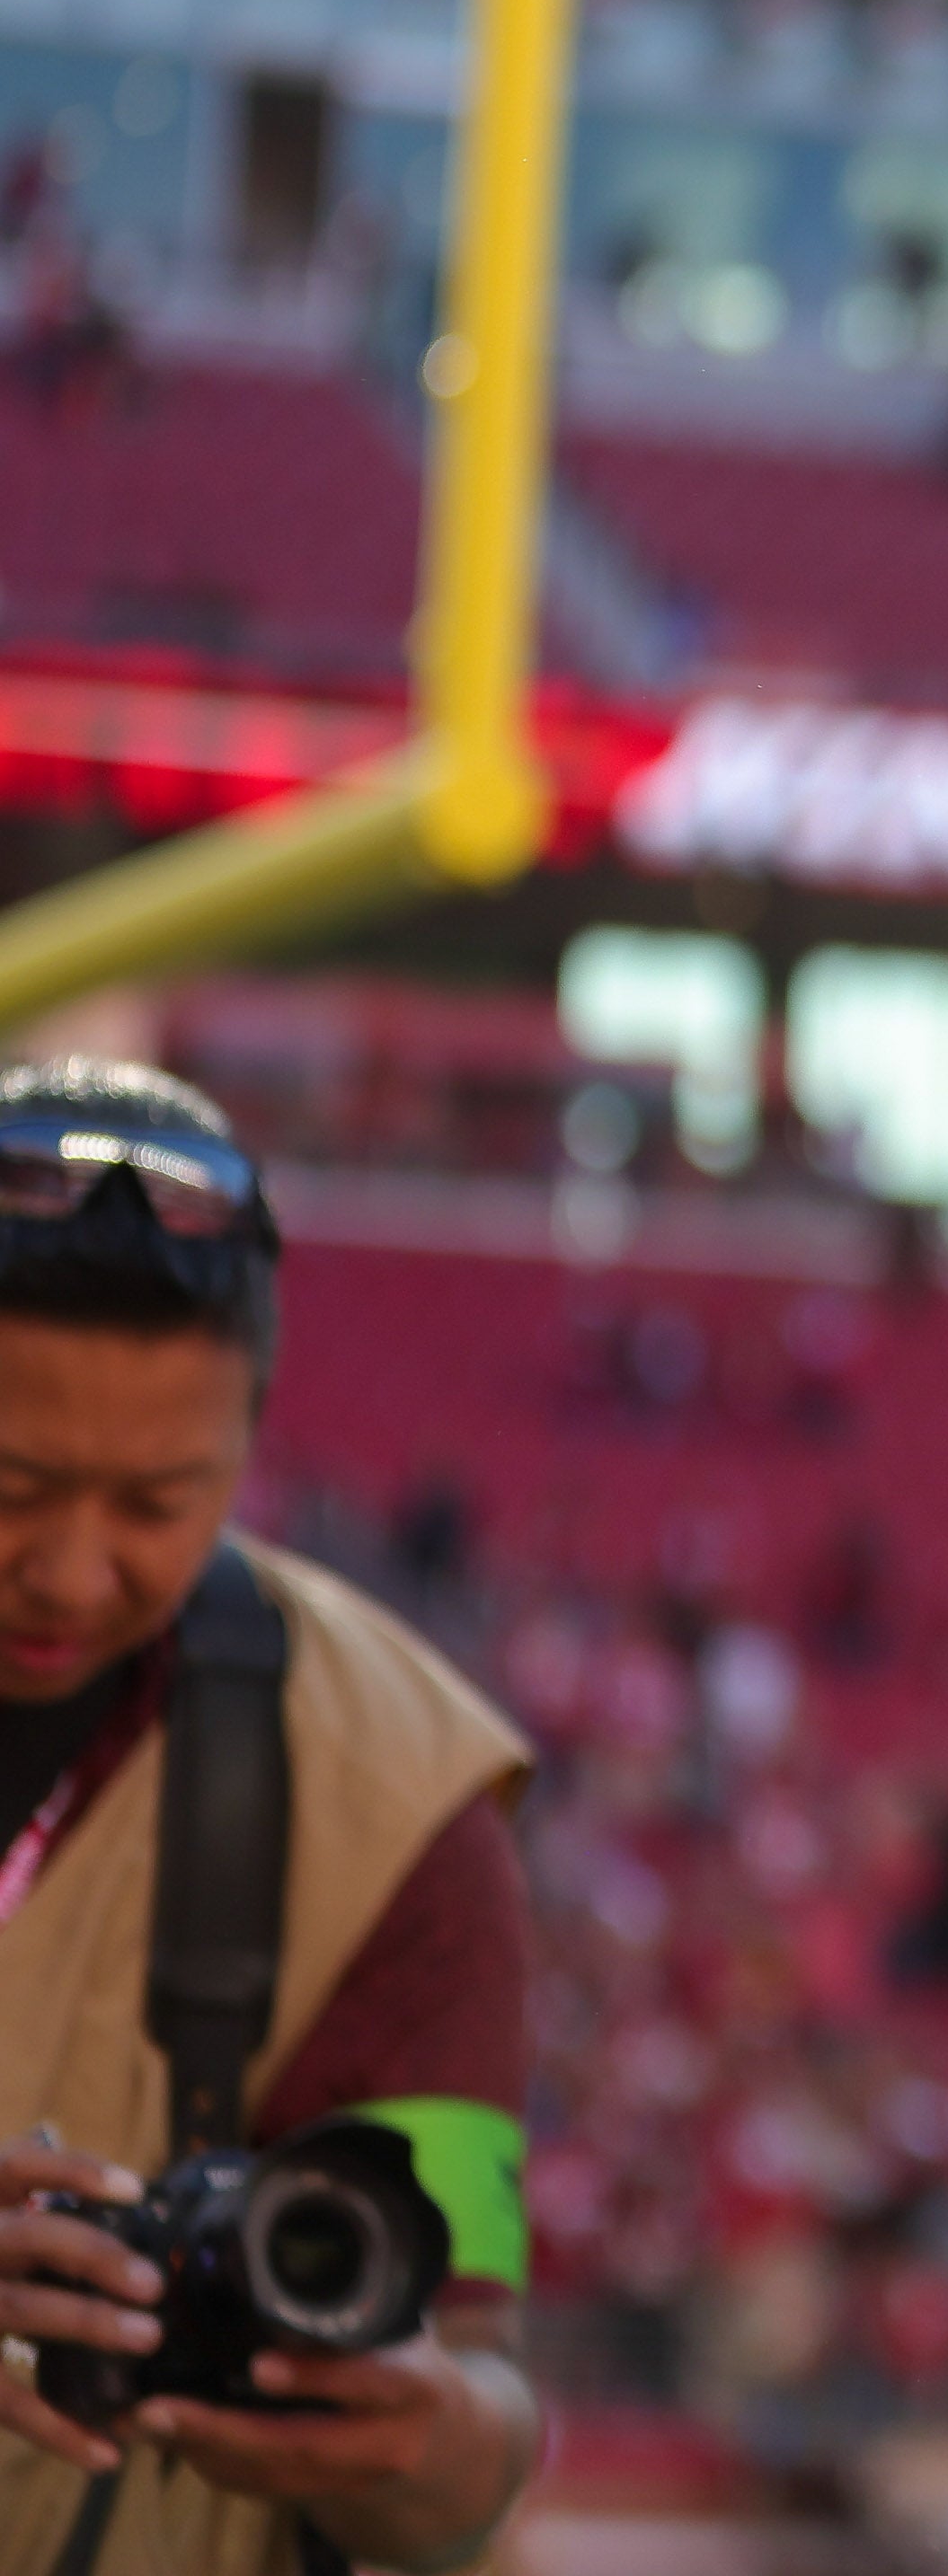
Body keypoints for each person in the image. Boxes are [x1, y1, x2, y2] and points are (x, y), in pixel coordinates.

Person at [0, 1061, 541, 2576]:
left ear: (250, 1447)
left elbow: (480, 2408)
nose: (70, 1568)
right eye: (12, 1484)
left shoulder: (387, 1789)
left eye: (157, 1502)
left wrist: (417, 2442)